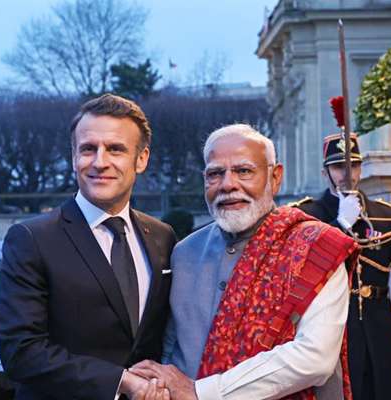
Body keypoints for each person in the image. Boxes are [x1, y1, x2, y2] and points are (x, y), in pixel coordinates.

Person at [130, 124, 359, 400]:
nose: (228, 184)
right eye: (215, 174)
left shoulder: (315, 249)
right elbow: (170, 350)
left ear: (275, 177)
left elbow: (315, 357)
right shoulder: (185, 252)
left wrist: (201, 392)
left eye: (244, 171)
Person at [0, 94, 177, 399]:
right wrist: (121, 381)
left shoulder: (162, 236)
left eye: (115, 149)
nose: (100, 162)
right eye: (88, 149)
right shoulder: (31, 238)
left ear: (141, 159)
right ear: (73, 157)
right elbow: (21, 352)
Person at [291, 131, 391, 400]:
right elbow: (300, 270)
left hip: (379, 328)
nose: (347, 174)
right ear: (325, 172)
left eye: (353, 165)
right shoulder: (307, 217)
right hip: (331, 330)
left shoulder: (387, 217)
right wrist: (340, 225)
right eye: (338, 167)